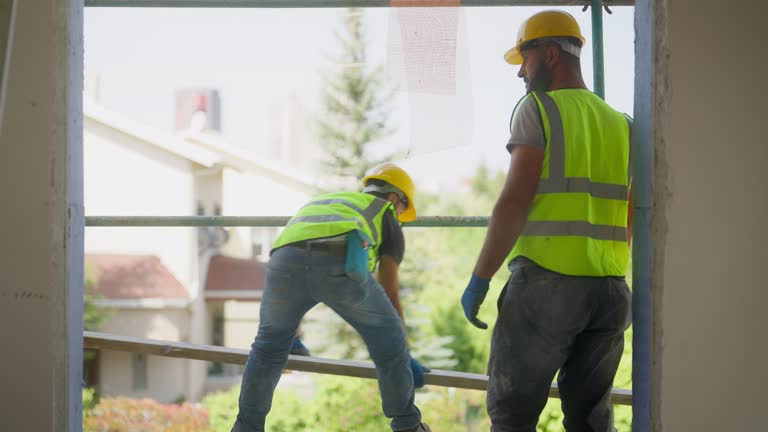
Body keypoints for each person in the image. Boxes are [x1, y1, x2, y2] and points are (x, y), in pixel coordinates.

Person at [460, 10, 632, 432]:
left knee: (512, 413)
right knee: (591, 418)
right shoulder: (625, 125)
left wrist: (480, 277)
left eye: (524, 58)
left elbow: (515, 199)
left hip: (547, 287)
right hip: (610, 291)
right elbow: (630, 214)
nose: (520, 72)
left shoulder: (538, 108)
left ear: (551, 54)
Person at [232, 163, 431, 432]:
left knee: (268, 348)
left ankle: (246, 427)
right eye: (402, 209)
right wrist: (403, 353)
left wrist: (291, 335)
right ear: (395, 198)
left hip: (282, 260)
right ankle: (407, 424)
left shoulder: (330, 202)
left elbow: (303, 258)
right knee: (390, 337)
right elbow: (390, 290)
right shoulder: (384, 212)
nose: (399, 216)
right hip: (337, 262)